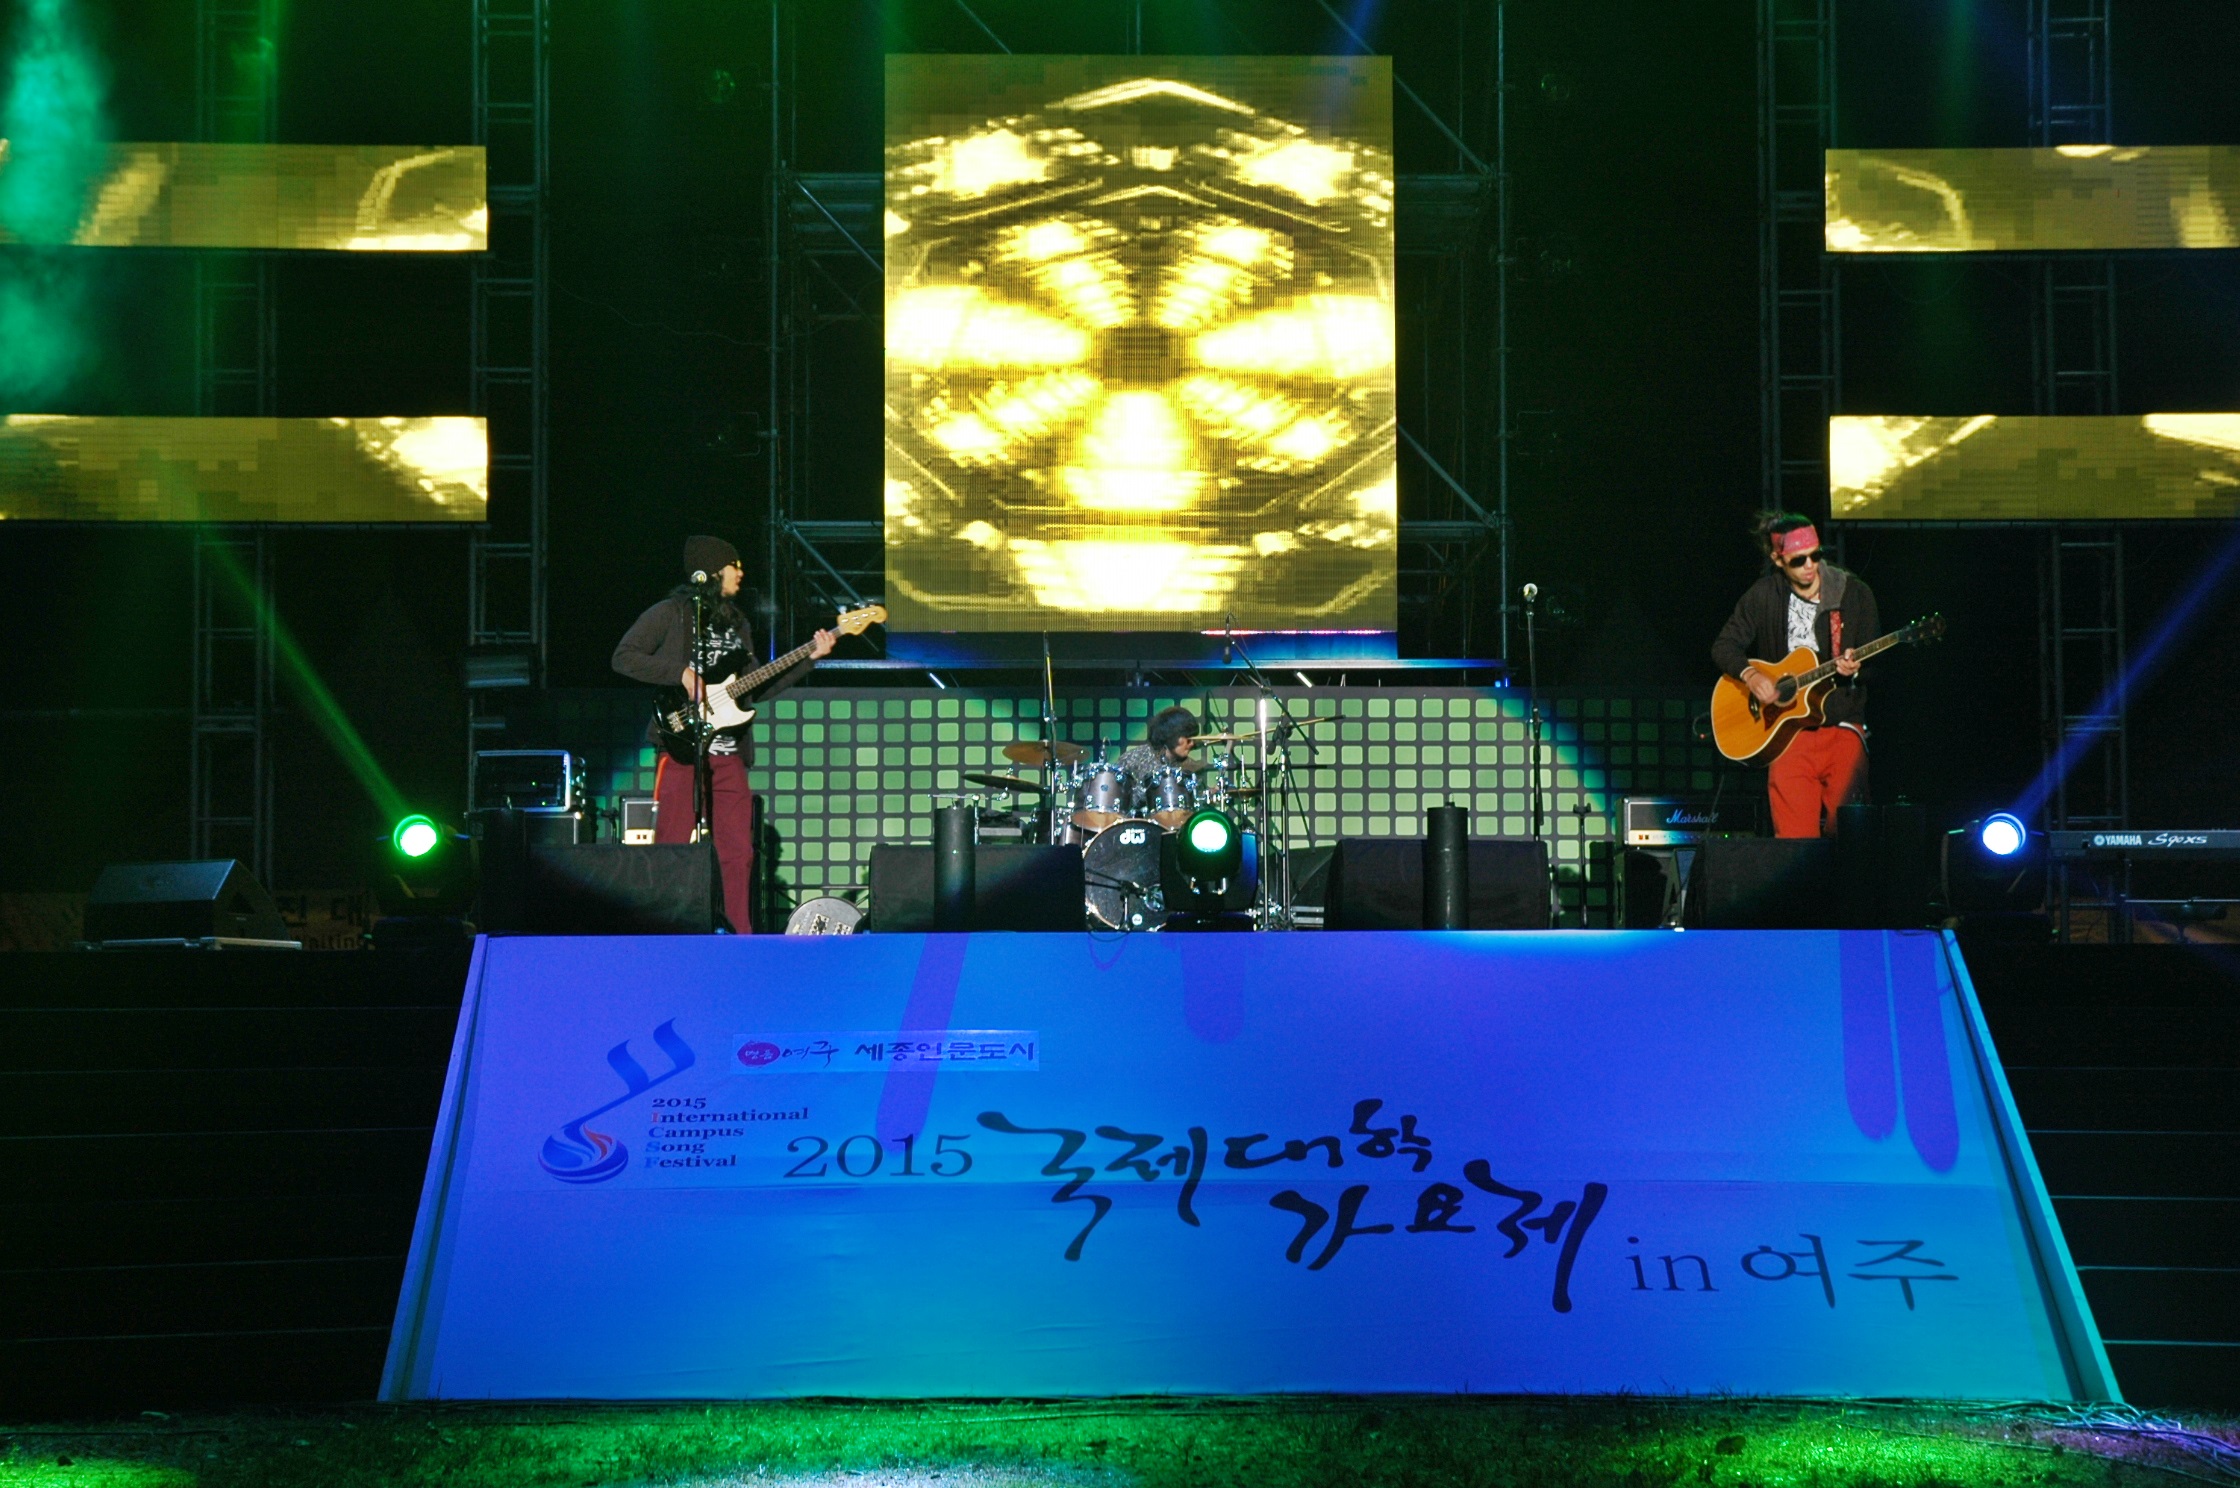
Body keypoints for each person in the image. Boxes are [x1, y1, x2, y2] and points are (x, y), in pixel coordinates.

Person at [612, 536, 834, 932]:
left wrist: (808, 659)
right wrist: (679, 673)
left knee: (738, 852)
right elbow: (624, 657)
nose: (741, 573)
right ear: (714, 570)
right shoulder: (670, 613)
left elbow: (754, 686)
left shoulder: (737, 622)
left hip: (728, 753)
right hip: (682, 748)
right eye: (735, 565)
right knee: (672, 847)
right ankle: (665, 933)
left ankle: (739, 938)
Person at [1711, 513, 1880, 839]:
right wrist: (1751, 675)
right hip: (1788, 735)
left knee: (1851, 837)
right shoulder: (1764, 596)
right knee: (1793, 843)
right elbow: (1724, 645)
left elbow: (1879, 667)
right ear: (1778, 559)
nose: (1810, 565)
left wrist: (1857, 668)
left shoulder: (1853, 594)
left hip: (1842, 726)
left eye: (1816, 555)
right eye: (1798, 560)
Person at [1117, 705, 1199, 783]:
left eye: (1193, 739)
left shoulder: (1190, 768)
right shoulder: (1133, 759)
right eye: (1188, 739)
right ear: (1171, 735)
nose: (1192, 744)